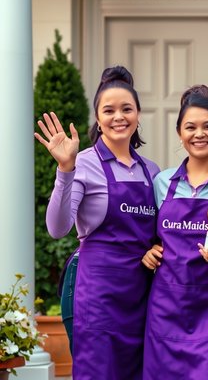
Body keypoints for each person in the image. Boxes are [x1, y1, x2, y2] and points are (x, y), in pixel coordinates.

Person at [34, 66, 160, 379]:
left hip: (142, 293)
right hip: (97, 294)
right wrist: (65, 169)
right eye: (109, 110)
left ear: (138, 114)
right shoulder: (84, 162)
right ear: (98, 117)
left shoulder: (152, 170)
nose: (119, 117)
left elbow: (162, 231)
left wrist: (157, 247)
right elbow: (57, 227)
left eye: (127, 109)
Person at [141, 85, 208, 379]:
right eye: (190, 127)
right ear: (179, 132)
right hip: (166, 305)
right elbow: (148, 238)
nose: (199, 134)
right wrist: (149, 251)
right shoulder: (161, 183)